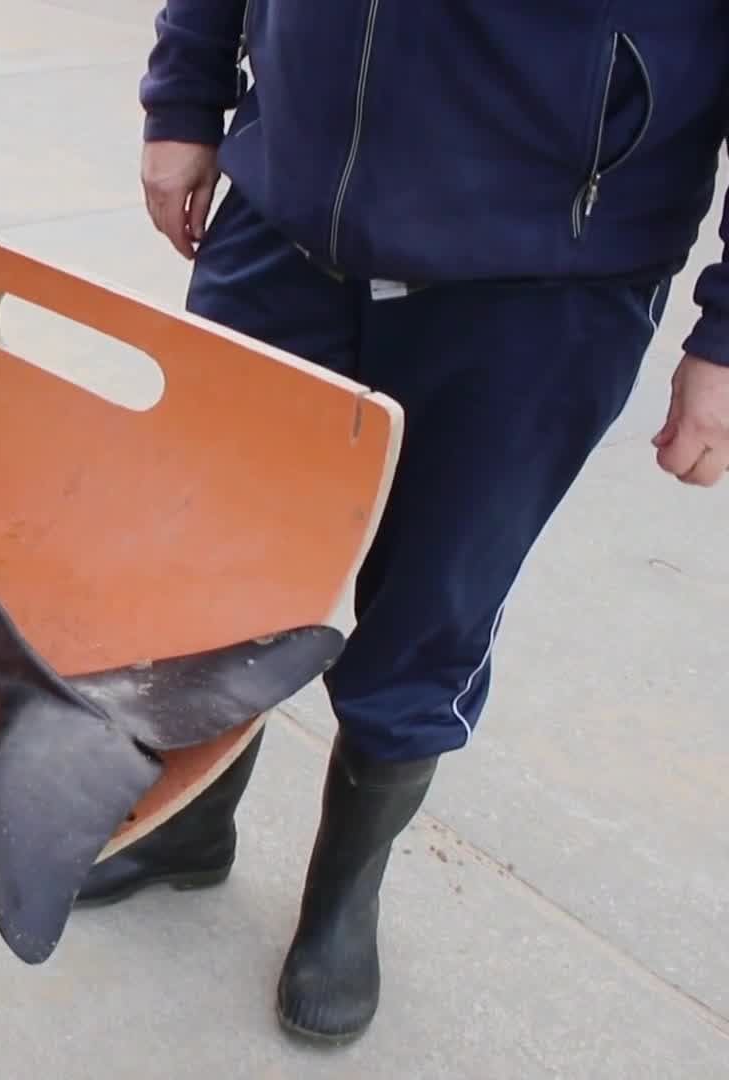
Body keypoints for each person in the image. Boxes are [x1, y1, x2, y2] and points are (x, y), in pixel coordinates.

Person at [79, 2, 729, 1046]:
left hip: (542, 271)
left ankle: (345, 891)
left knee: (430, 605)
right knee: (212, 560)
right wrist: (184, 95)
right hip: (285, 213)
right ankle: (187, 818)